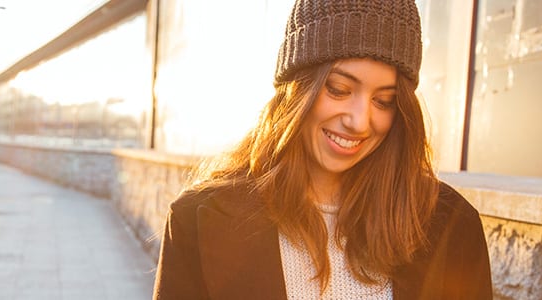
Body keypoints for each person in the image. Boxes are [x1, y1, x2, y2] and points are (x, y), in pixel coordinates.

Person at [151, 0, 493, 299]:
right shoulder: (197, 220)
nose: (360, 121)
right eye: (339, 89)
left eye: (383, 101)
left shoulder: (450, 225)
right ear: (297, 90)